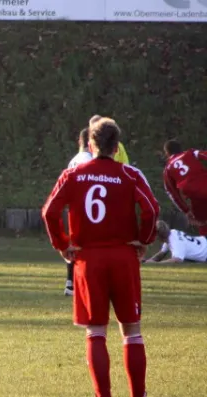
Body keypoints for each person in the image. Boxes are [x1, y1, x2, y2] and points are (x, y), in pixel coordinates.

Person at [42, 117, 159, 397]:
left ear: (91, 144)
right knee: (131, 330)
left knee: (95, 330)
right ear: (116, 147)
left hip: (87, 259)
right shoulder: (130, 174)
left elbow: (49, 212)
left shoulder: (73, 175)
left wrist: (63, 244)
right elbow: (152, 210)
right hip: (123, 257)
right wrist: (144, 240)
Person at [62, 127, 92, 296]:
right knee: (89, 248)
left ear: (79, 141)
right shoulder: (90, 160)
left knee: (74, 246)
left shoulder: (73, 160)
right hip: (88, 208)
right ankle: (83, 284)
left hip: (73, 208)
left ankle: (70, 283)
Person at [162, 139, 207, 235]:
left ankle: (204, 247)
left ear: (167, 153)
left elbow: (172, 193)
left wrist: (185, 210)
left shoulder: (167, 169)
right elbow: (204, 155)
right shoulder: (190, 153)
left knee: (202, 224)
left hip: (195, 196)